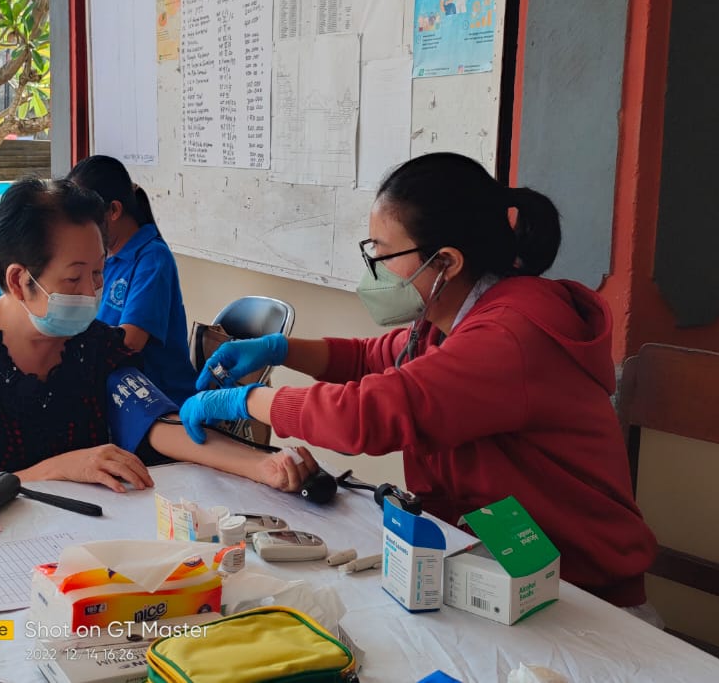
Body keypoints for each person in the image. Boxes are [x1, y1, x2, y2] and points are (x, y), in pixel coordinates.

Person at [179, 152, 660, 620]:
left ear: (446, 261)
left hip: (583, 601)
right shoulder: (453, 316)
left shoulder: (511, 334)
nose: (376, 271)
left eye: (384, 256)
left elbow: (371, 413)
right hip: (498, 573)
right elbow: (373, 358)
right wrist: (281, 349)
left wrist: (245, 399)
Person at [0, 177, 319, 493]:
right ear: (20, 280)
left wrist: (261, 465)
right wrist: (63, 468)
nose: (92, 293)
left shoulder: (95, 344)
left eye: (98, 273)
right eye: (74, 277)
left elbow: (160, 425)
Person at [66, 155, 197, 404]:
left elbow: (129, 343)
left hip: (157, 400)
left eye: (84, 218)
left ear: (113, 210)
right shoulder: (101, 256)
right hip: (113, 386)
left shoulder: (152, 259)